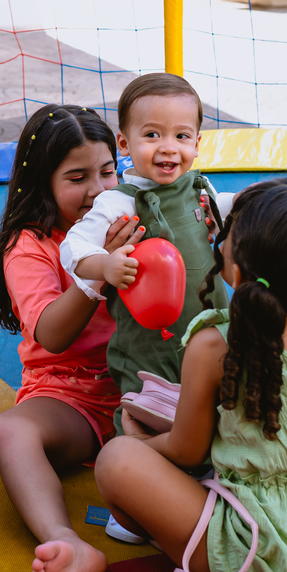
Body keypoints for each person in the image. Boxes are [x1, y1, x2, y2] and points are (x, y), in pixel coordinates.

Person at [93, 179, 287, 572]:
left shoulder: (215, 342)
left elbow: (187, 452)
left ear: (237, 269)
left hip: (258, 556)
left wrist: (144, 443)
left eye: (227, 231)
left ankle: (190, 552)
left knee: (117, 460)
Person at [0, 105, 144, 572]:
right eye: (77, 177)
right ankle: (67, 542)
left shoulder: (131, 211)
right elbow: (52, 334)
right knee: (6, 431)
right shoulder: (28, 245)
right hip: (69, 396)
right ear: (42, 184)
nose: (97, 189)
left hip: (144, 385)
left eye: (107, 171)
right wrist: (98, 274)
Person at [61, 73, 230, 437]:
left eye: (181, 136)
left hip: (213, 328)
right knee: (150, 414)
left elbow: (222, 212)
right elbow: (72, 247)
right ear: (124, 142)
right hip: (150, 347)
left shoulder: (199, 187)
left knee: (219, 409)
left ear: (198, 143)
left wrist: (243, 210)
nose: (168, 147)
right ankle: (138, 466)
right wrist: (105, 265)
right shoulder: (117, 201)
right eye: (152, 134)